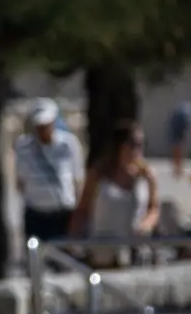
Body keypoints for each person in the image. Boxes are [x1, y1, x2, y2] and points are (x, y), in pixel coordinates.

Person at [71, 120, 161, 268]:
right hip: (102, 250)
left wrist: (145, 225)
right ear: (120, 146)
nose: (137, 150)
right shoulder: (99, 174)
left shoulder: (146, 176)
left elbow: (154, 208)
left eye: (140, 144)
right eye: (133, 144)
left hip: (135, 250)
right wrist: (74, 239)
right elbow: (82, 209)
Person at [14, 99, 84, 243]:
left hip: (62, 213)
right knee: (35, 259)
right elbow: (20, 181)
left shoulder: (69, 144)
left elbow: (78, 179)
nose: (42, 130)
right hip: (36, 214)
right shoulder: (23, 146)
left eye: (45, 125)